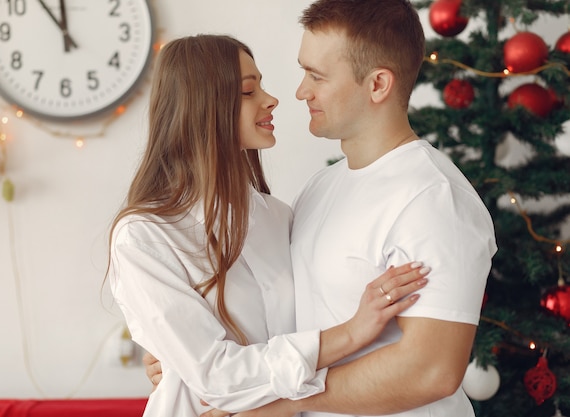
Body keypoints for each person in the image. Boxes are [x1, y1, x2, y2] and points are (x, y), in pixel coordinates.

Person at [147, 1, 497, 416]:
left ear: (378, 84)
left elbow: (431, 371)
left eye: (317, 75)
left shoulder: (433, 199)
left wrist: (274, 405)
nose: (299, 91)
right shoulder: (318, 190)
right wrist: (189, 356)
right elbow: (282, 316)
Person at [107, 34, 430, 417]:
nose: (272, 99)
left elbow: (297, 328)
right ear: (202, 106)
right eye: (248, 91)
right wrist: (351, 333)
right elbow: (216, 377)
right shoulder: (144, 238)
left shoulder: (278, 217)